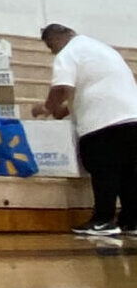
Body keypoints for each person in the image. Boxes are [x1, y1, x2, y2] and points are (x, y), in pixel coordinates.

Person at [33, 24, 137, 241]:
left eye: (50, 47)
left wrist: (47, 108)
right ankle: (131, 220)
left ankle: (103, 220)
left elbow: (62, 88)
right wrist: (62, 111)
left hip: (102, 122)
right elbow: (90, 86)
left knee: (104, 171)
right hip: (131, 118)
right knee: (129, 173)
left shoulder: (68, 53)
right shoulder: (101, 49)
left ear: (55, 40)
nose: (52, 52)